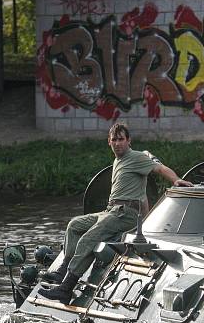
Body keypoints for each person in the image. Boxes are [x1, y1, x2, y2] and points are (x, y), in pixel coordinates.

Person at [38, 122, 193, 304]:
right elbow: (142, 194)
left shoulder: (137, 157)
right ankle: (62, 271)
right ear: (109, 142)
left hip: (124, 213)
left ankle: (65, 288)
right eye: (114, 139)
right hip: (111, 210)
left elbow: (160, 168)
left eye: (121, 139)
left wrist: (176, 180)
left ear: (129, 141)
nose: (118, 143)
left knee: (88, 239)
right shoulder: (117, 161)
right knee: (74, 225)